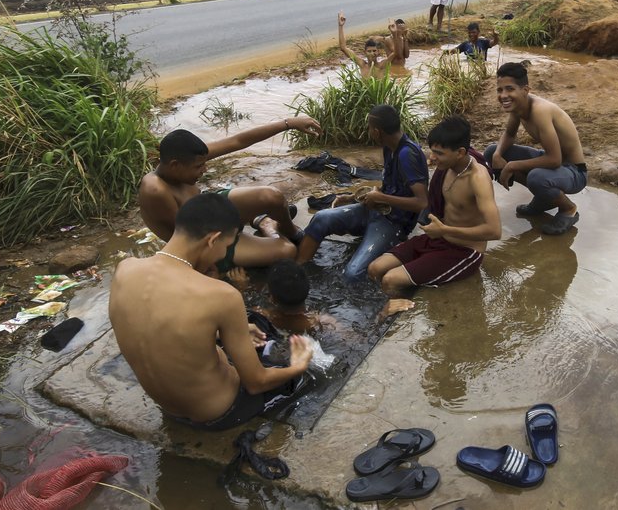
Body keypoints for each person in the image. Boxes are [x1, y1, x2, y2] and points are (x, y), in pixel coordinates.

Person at [109, 193, 313, 431]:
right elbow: (256, 383)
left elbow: (160, 325)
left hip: (169, 409)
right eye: (226, 247)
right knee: (294, 368)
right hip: (220, 413)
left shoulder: (125, 270)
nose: (223, 255)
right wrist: (298, 366)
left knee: (235, 337)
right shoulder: (222, 295)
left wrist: (229, 331)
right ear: (212, 240)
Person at [138, 116, 321, 276]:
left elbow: (238, 141)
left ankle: (291, 231)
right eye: (198, 167)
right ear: (175, 165)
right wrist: (211, 271)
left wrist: (288, 123)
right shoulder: (156, 190)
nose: (204, 170)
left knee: (272, 196)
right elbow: (184, 241)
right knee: (287, 251)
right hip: (209, 239)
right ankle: (267, 226)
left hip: (213, 207)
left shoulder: (186, 160)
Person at [369, 116, 501, 296]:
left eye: (439, 153)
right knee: (375, 268)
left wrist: (445, 230)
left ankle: (393, 311)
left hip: (464, 251)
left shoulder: (477, 178)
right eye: (432, 151)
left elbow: (494, 231)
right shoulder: (446, 167)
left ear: (460, 152)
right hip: (437, 239)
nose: (431, 158)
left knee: (390, 279)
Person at [296, 105, 429, 282]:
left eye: (369, 128)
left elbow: (421, 202)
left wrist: (381, 198)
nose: (369, 132)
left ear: (376, 131)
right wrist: (352, 198)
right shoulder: (390, 147)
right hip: (375, 210)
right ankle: (298, 270)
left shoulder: (407, 154)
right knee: (321, 218)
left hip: (394, 224)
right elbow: (392, 186)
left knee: (353, 273)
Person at [483, 62, 587, 235]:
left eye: (509, 89)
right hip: (554, 163)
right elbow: (509, 135)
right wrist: (498, 154)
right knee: (491, 152)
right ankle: (545, 199)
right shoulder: (519, 107)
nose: (503, 95)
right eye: (499, 90)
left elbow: (554, 160)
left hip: (574, 171)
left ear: (525, 90)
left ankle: (568, 209)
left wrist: (511, 166)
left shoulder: (540, 111)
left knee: (536, 177)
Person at [261, 259, 412, 333]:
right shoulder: (319, 322)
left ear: (271, 298)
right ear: (308, 289)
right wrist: (383, 314)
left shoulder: (264, 316)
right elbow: (359, 340)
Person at [338, 11, 394, 77]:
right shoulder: (362, 65)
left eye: (374, 51)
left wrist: (394, 33)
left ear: (378, 52)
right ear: (365, 52)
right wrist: (340, 26)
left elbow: (396, 53)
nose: (372, 53)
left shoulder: (382, 65)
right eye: (369, 51)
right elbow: (343, 48)